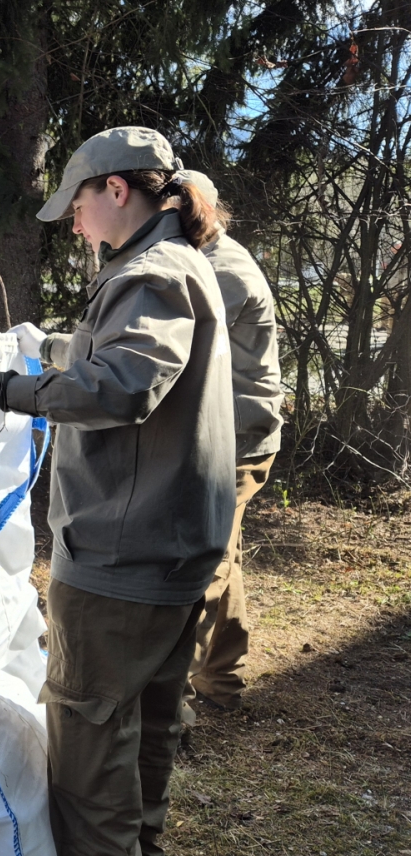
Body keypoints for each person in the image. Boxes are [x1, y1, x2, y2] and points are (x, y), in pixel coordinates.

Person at [0, 126, 235, 856]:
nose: (73, 223)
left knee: (87, 765)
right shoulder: (175, 265)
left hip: (123, 560)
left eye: (77, 203)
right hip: (166, 554)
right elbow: (117, 359)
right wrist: (46, 348)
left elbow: (120, 386)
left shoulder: (151, 273)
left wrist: (7, 391)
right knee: (141, 741)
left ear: (117, 191)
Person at [178, 170, 283, 715]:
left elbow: (174, 351)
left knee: (205, 560)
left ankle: (171, 699)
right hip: (238, 431)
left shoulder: (221, 271)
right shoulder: (205, 259)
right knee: (226, 555)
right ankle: (222, 681)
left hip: (237, 440)